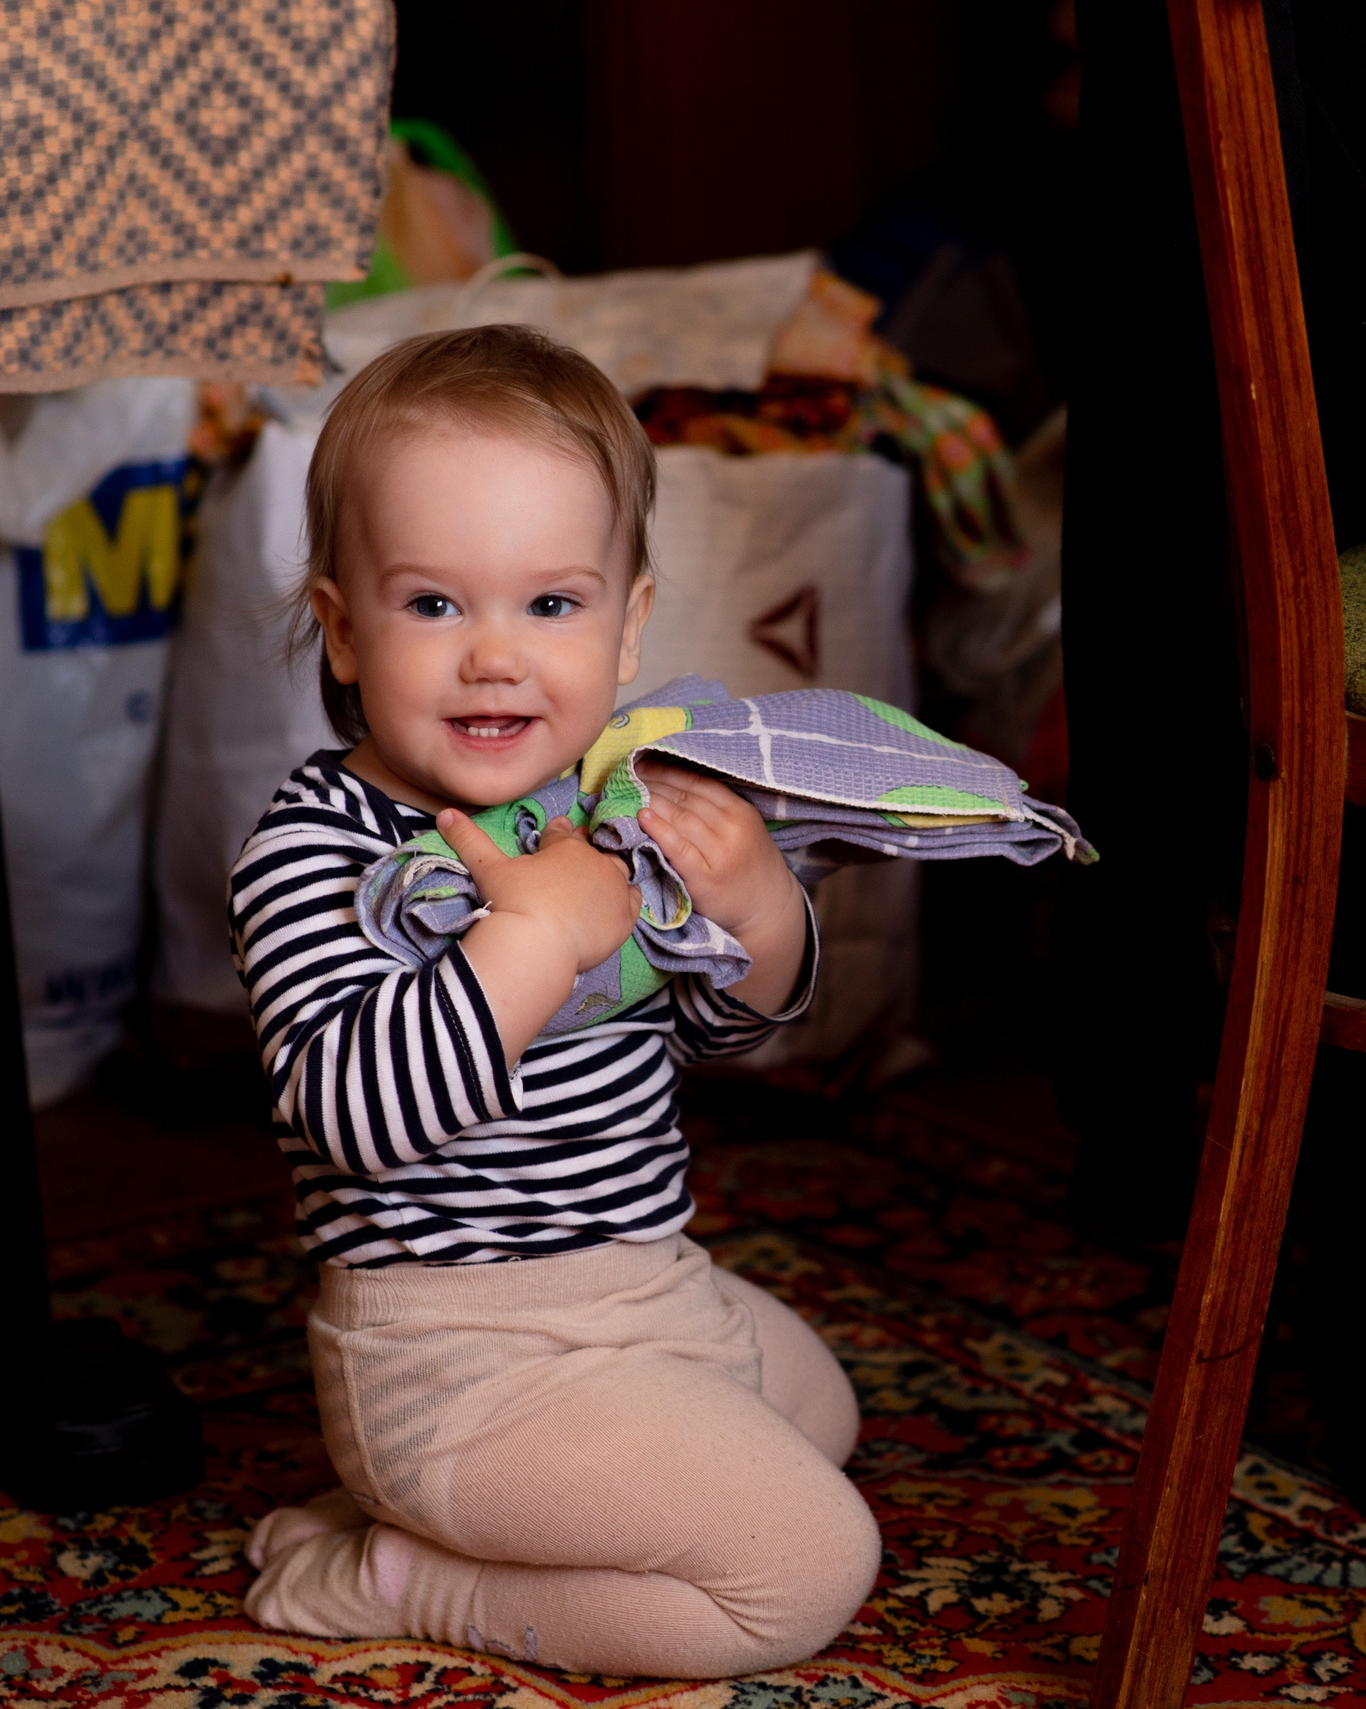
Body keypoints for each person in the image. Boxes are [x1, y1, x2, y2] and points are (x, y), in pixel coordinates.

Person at [230, 324, 879, 1677]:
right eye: (433, 604)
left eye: (551, 604)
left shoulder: (607, 806)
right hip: (458, 1361)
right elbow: (353, 1113)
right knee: (807, 1568)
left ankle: (505, 1516)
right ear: (342, 626)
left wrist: (753, 906)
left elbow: (724, 1025)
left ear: (629, 621)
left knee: (822, 1413)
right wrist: (529, 939)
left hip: (641, 1287)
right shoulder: (316, 844)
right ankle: (415, 1570)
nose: (494, 658)